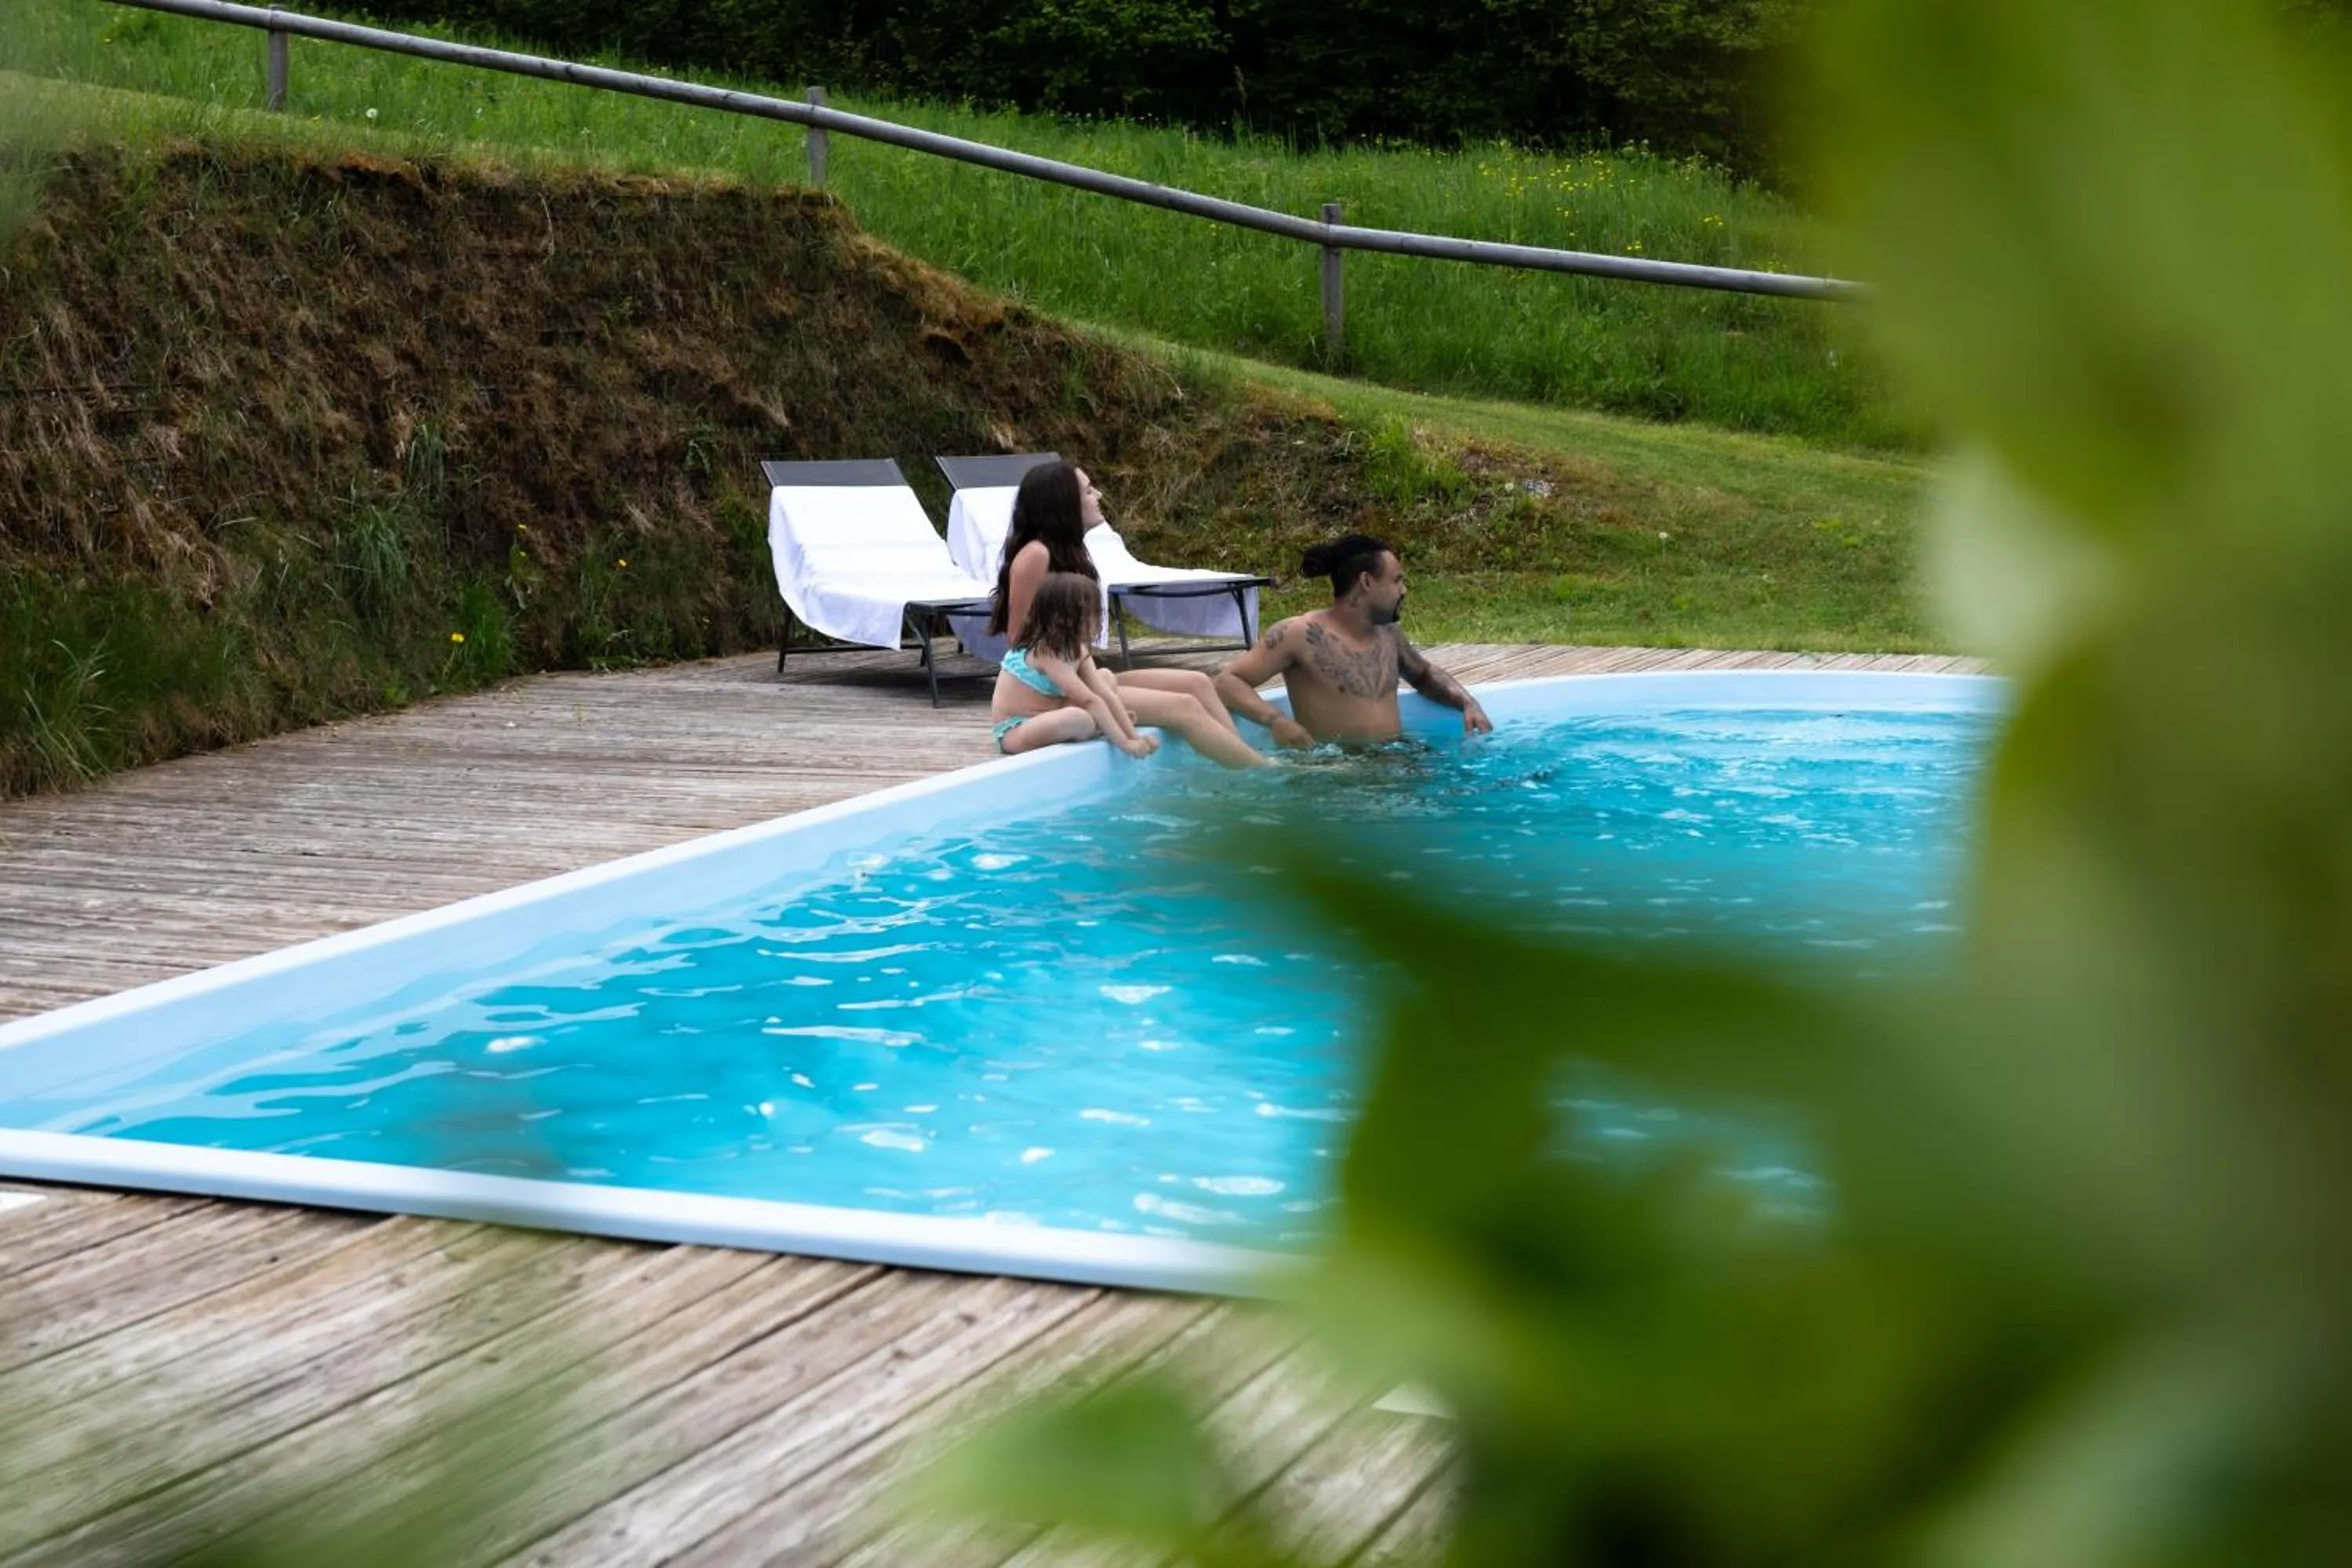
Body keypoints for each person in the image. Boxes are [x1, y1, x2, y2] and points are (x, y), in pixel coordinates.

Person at [988, 461, 1252, 750]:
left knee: (1198, 683)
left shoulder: (1070, 552)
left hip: (1084, 679)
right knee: (1184, 706)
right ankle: (1256, 771)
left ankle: (1247, 758)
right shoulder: (1036, 555)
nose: (1098, 495)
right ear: (1064, 506)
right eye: (1089, 492)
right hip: (1057, 694)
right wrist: (1076, 675)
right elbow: (1018, 639)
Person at [1213, 533, 1493, 746]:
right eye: (1397, 580)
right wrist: (1276, 721)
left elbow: (1424, 675)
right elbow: (1228, 681)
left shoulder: (1389, 634)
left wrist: (1468, 703)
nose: (1404, 590)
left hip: (1399, 758)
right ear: (1367, 582)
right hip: (1339, 771)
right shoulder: (1297, 634)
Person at [993, 572, 1265, 768]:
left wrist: (1131, 733)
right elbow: (1091, 700)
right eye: (1094, 613)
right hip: (1020, 727)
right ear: (1068, 619)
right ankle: (1255, 767)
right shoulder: (1048, 653)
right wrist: (1125, 742)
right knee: (1081, 718)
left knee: (1105, 681)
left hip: (1057, 707)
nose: (1101, 618)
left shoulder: (1076, 648)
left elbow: (1104, 696)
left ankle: (1246, 757)